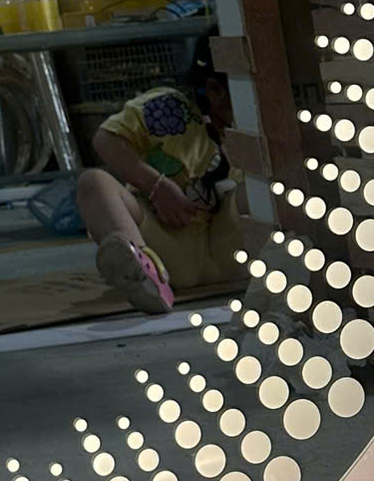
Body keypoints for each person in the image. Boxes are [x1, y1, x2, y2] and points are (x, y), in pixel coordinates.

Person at [74, 44, 263, 315]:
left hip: (228, 251)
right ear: (214, 90)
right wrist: (157, 187)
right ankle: (143, 271)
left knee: (265, 189)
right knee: (92, 183)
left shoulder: (258, 120)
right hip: (165, 249)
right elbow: (105, 140)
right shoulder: (168, 106)